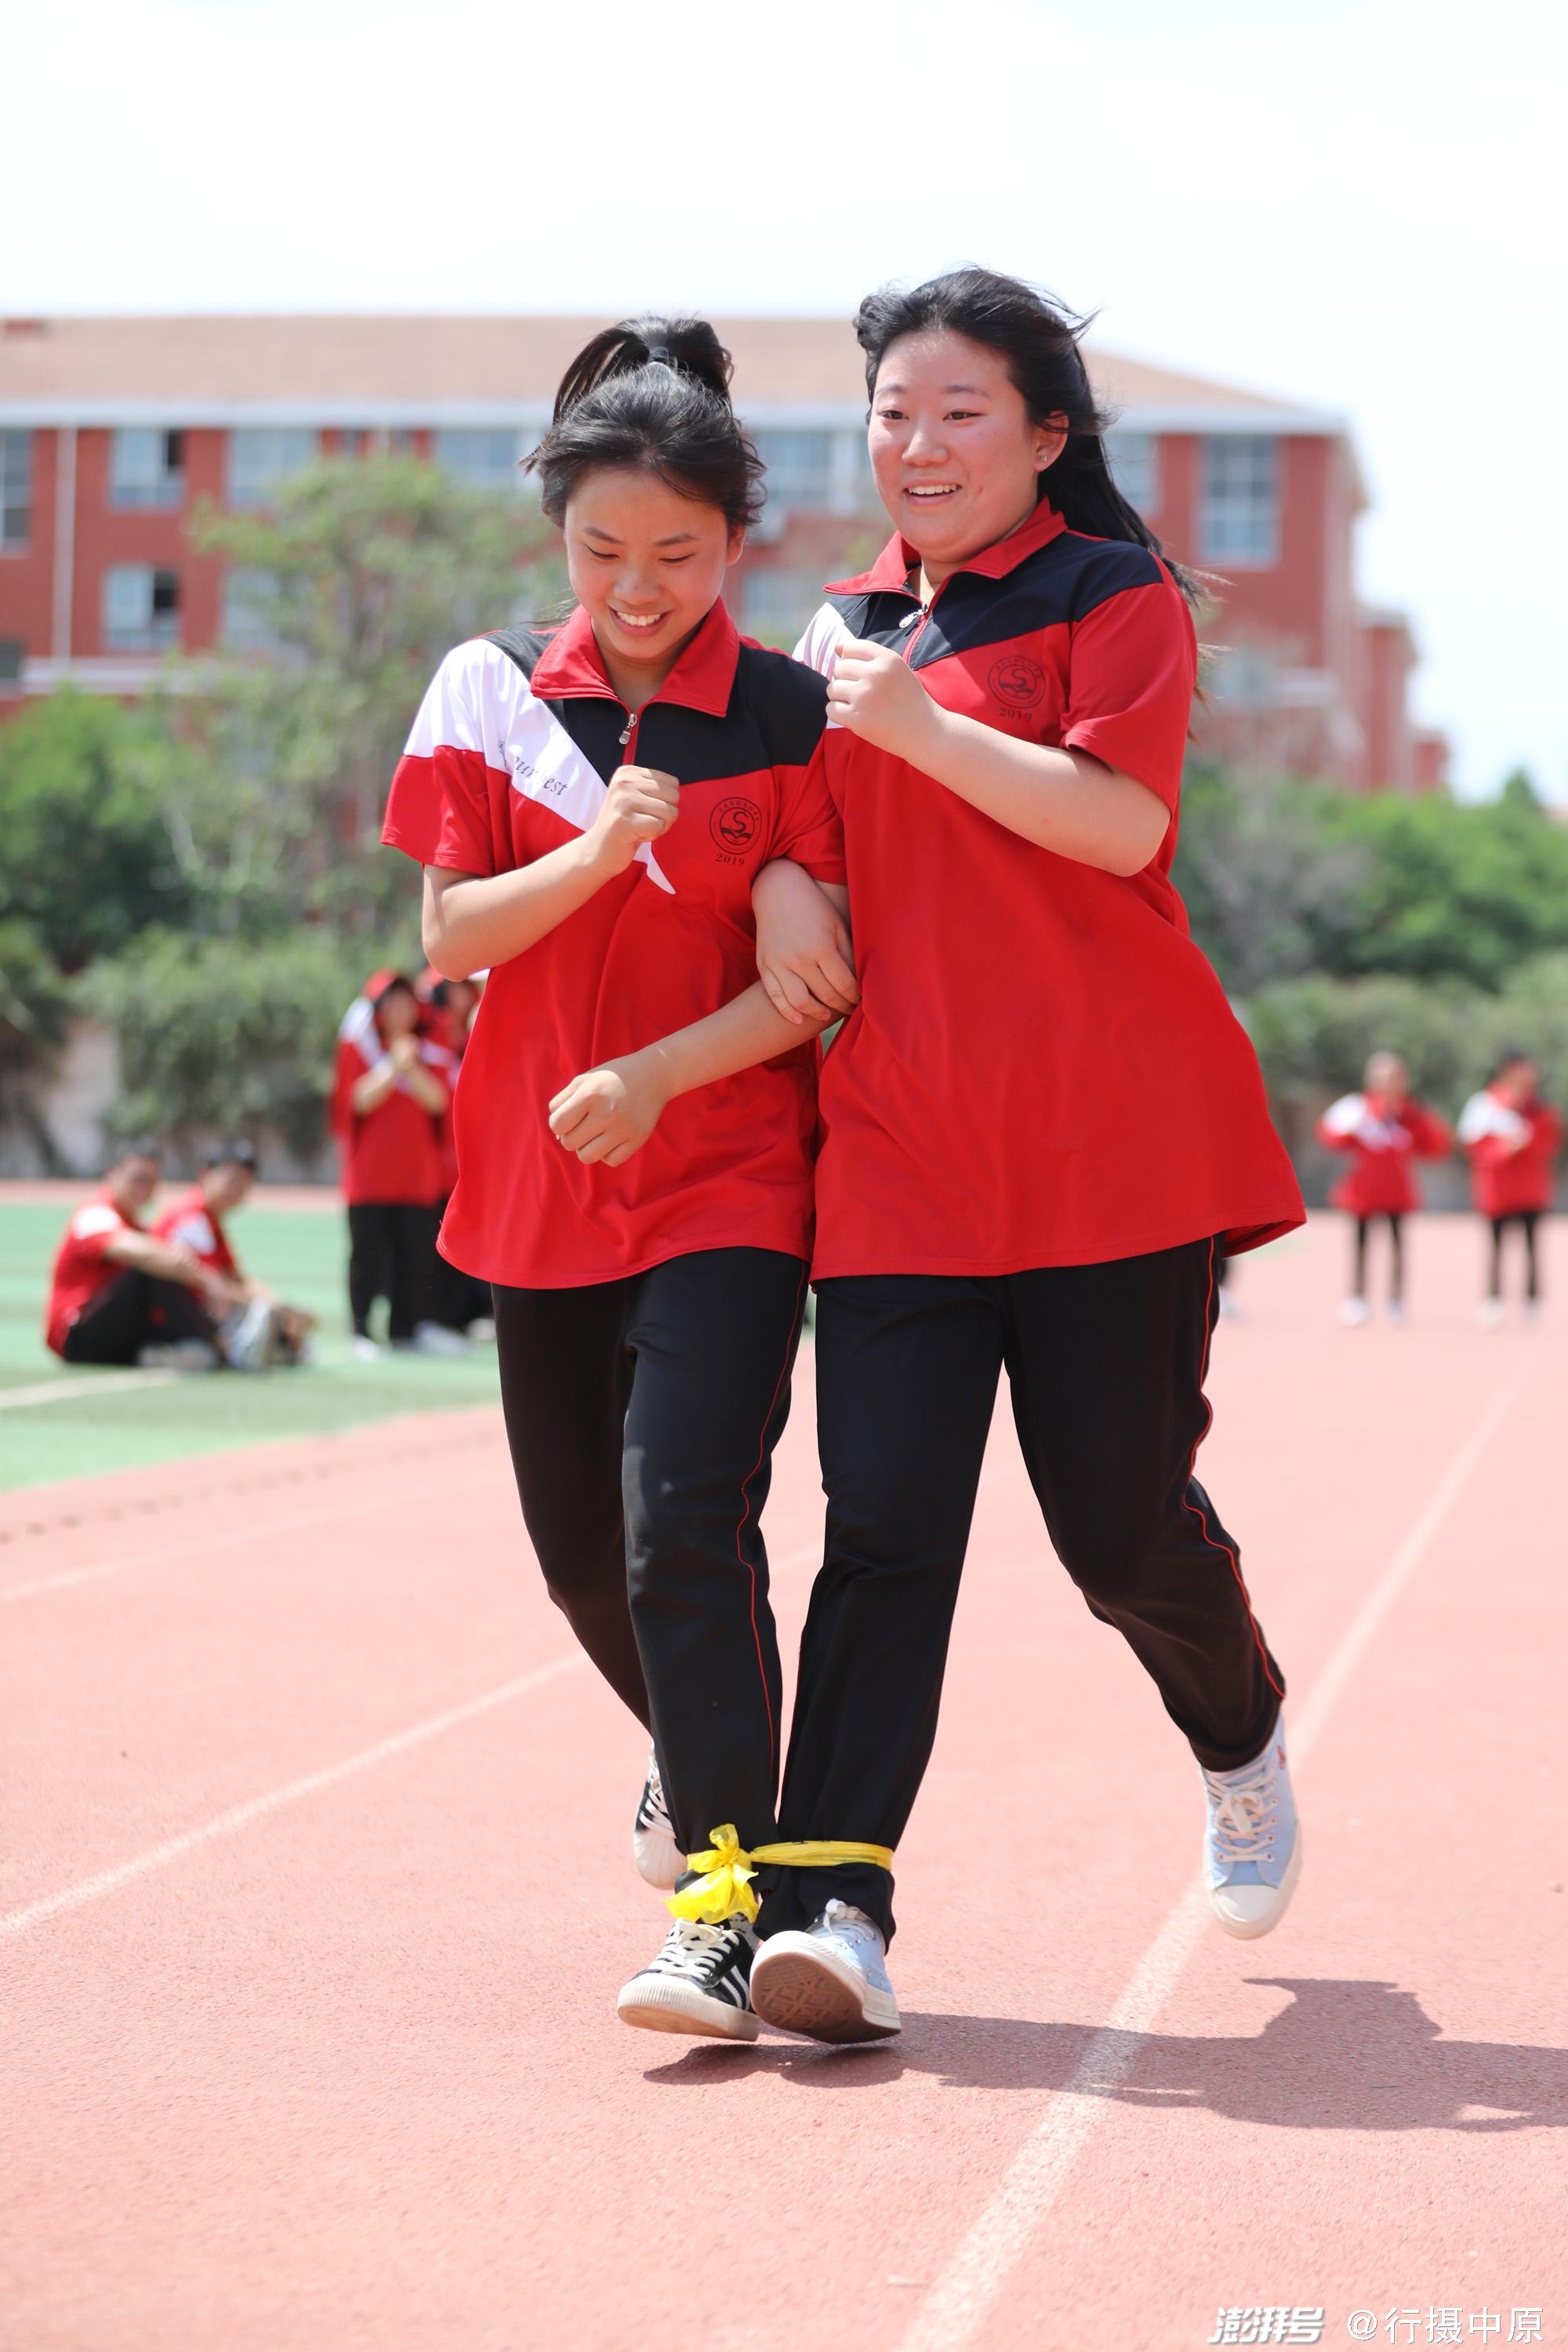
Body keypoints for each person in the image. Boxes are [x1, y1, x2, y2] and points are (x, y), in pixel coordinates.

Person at [737, 267, 1306, 2043]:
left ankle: (1236, 1733)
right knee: (882, 1528)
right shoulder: (835, 625)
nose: (914, 444)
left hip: (1104, 1146)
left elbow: (1119, 816)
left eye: (956, 411)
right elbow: (802, 835)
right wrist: (773, 877)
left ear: (1045, 435)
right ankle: (830, 1907)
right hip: (901, 1142)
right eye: (890, 414)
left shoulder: (1108, 593)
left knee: (1112, 1524)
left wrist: (918, 723)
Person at [382, 315, 866, 2043]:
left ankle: (730, 1906)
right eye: (601, 550)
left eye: (675, 552)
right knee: (586, 1562)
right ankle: (709, 1783)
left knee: (684, 1529)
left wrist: (664, 1067)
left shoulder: (798, 710)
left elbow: (809, 979)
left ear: (736, 542)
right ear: (557, 536)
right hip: (535, 1185)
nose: (639, 585)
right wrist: (599, 847)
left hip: (727, 1175)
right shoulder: (490, 690)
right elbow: (449, 938)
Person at [43, 1141, 272, 1371]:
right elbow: (143, 1254)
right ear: (112, 1175)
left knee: (163, 1274)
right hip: (76, 1337)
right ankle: (224, 1345)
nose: (144, 1188)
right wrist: (206, 1278)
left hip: (117, 1332)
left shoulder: (137, 1226)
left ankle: (188, 1350)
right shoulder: (94, 1214)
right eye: (137, 1179)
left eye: (151, 1181)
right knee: (153, 1269)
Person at [332, 970, 464, 1359]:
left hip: (416, 1177)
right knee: (366, 1257)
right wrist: (393, 1065)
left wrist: (410, 1065)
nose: (401, 1009)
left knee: (415, 1258)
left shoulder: (432, 1044)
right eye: (393, 1001)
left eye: (408, 1002)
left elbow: (439, 1101)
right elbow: (356, 1100)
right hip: (370, 1179)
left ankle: (407, 1329)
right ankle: (360, 1331)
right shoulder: (362, 1045)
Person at [151, 1142, 317, 1364]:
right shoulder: (190, 1219)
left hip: (198, 1310)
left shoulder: (210, 1221)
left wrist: (281, 1306)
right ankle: (235, 1348)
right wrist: (277, 1311)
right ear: (205, 1175)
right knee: (252, 1316)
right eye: (232, 1182)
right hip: (171, 1317)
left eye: (245, 1186)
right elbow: (213, 1287)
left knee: (277, 1322)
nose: (237, 1192)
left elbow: (236, 1278)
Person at [1317, 1051, 1450, 1325]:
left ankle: (1396, 1300)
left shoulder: (1412, 1112)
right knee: (1361, 1245)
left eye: (1394, 1077)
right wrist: (1357, 1128)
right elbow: (1331, 1136)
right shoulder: (1357, 1107)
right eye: (1382, 1077)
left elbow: (1436, 1145)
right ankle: (1357, 1298)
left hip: (1397, 1190)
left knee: (1397, 1246)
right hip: (1364, 1190)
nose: (1388, 1083)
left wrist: (1412, 1129)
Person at [416, 968, 495, 1341]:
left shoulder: (472, 1035)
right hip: (438, 1164)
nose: (463, 995)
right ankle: (437, 1319)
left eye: (467, 988)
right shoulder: (432, 1039)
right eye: (455, 988)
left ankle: (464, 1316)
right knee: (439, 1243)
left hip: (472, 1161)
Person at [1457, 1050, 1562, 1324]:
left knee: (1531, 1246)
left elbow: (1551, 1143)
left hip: (1531, 1188)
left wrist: (1527, 1144)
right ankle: (1494, 1298)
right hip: (1499, 1188)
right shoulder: (1485, 1105)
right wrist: (1504, 1149)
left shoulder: (1540, 1108)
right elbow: (1472, 1143)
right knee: (1496, 1245)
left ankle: (1531, 1301)